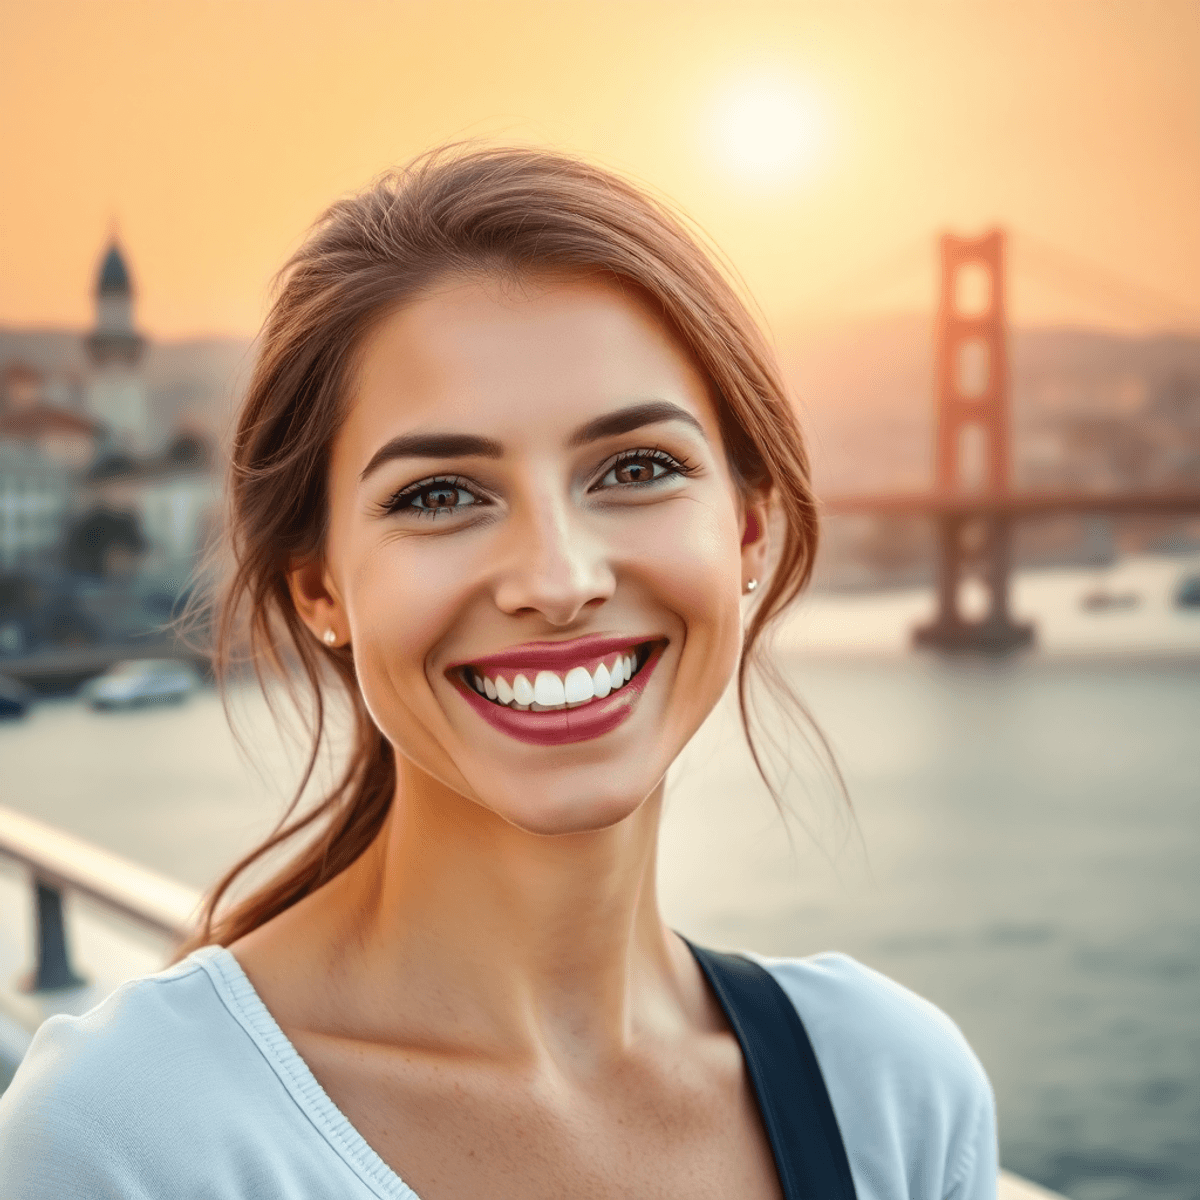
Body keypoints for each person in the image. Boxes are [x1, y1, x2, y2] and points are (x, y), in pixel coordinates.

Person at [0, 146, 997, 1198]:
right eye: (439, 494)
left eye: (637, 469)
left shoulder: (889, 1093)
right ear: (319, 588)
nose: (559, 580)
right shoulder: (124, 1140)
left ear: (747, 532)